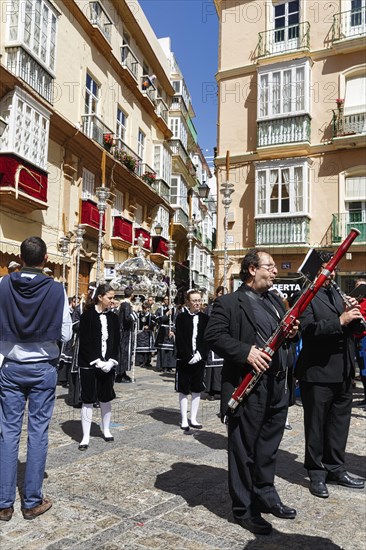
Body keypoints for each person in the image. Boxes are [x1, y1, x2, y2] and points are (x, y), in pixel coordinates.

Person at [205, 249, 299, 535]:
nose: (274, 271)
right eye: (268, 267)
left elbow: (286, 333)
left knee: (268, 447)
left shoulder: (275, 300)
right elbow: (213, 336)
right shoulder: (229, 303)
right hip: (249, 388)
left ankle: (265, 494)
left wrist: (294, 331)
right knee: (244, 450)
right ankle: (244, 508)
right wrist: (245, 352)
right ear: (251, 270)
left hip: (277, 387)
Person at [0, 236, 72, 521]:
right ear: (44, 261)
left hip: (11, 367)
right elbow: (66, 333)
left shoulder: (3, 284)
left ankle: (4, 503)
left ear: (21, 257)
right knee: (38, 432)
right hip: (43, 367)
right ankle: (31, 501)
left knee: (7, 432)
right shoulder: (57, 290)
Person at [295, 253, 365, 498]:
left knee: (338, 425)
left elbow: (350, 329)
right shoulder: (304, 296)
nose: (332, 273)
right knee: (316, 426)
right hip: (317, 373)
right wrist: (341, 320)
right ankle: (316, 473)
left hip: (344, 371)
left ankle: (336, 468)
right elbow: (309, 331)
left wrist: (354, 317)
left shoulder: (336, 294)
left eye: (334, 269)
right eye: (327, 268)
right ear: (316, 270)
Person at [78, 283, 120, 450]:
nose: (112, 301)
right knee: (88, 399)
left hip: (107, 364)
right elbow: (85, 341)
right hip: (89, 363)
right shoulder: (87, 316)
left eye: (113, 298)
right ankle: (85, 436)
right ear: (100, 297)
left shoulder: (114, 318)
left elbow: (116, 341)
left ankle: (106, 429)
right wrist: (97, 361)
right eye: (110, 297)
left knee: (106, 397)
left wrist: (110, 361)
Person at [175, 290, 209, 431]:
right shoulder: (181, 317)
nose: (197, 303)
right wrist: (188, 356)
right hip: (185, 359)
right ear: (188, 302)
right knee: (184, 389)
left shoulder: (205, 318)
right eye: (194, 300)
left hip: (199, 359)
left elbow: (207, 339)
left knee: (197, 388)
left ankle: (193, 418)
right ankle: (184, 418)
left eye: (199, 300)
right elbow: (180, 339)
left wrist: (200, 354)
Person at [204, 286, 225, 401]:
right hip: (212, 338)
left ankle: (220, 389)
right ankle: (211, 391)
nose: (222, 295)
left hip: (223, 338)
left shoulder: (227, 307)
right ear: (217, 294)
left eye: (224, 293)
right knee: (212, 365)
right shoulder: (209, 308)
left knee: (222, 366)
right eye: (220, 293)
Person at [116, 286, 137, 383]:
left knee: (124, 352)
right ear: (131, 295)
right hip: (125, 332)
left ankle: (122, 372)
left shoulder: (124, 304)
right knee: (124, 352)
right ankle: (120, 374)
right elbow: (127, 318)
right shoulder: (126, 304)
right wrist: (135, 314)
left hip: (123, 331)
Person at [155, 295, 176, 373]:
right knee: (163, 349)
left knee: (170, 350)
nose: (167, 301)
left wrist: (173, 330)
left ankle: (169, 366)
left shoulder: (175, 309)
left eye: (169, 299)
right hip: (163, 330)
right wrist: (166, 315)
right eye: (166, 299)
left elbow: (176, 320)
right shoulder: (160, 309)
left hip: (171, 329)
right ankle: (162, 366)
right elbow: (157, 319)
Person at [135, 301, 155, 368]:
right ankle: (140, 361)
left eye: (146, 308)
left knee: (147, 350)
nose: (145, 310)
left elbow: (154, 323)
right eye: (144, 308)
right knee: (140, 349)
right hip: (140, 333)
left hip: (148, 333)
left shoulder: (151, 315)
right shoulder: (138, 315)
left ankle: (147, 361)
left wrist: (149, 326)